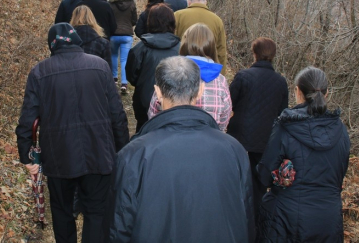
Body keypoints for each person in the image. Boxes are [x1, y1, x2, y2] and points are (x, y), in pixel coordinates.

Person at [106, 56, 255, 243]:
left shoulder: (133, 155)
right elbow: (247, 219)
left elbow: (119, 228)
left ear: (158, 93)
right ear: (200, 90)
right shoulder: (234, 150)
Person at [16, 23, 129, 243]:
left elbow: (27, 120)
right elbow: (117, 114)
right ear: (77, 40)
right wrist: (122, 149)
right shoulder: (100, 67)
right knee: (96, 213)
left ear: (52, 46)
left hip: (59, 157)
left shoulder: (39, 72)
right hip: (99, 153)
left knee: (61, 212)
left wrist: (27, 156)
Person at [256, 66, 350, 242]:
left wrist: (281, 176)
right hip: (328, 220)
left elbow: (264, 175)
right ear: (327, 93)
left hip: (285, 221)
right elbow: (340, 173)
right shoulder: (341, 130)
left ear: (297, 92)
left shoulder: (285, 126)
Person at [227, 37, 288, 217]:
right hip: (265, 138)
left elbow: (229, 103)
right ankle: (254, 219)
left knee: (236, 174)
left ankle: (233, 212)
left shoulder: (243, 76)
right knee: (258, 181)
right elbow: (282, 112)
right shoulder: (280, 82)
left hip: (238, 136)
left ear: (254, 54)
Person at [148, 23, 232, 132]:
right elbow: (225, 116)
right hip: (208, 142)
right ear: (212, 47)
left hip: (170, 140)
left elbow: (153, 113)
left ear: (185, 44)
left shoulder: (171, 73)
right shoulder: (220, 81)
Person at [126, 4, 180, 131]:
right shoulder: (181, 48)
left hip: (144, 102)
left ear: (150, 22)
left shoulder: (140, 48)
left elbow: (131, 76)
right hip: (175, 102)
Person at [174, 0, 227, 74]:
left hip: (183, 69)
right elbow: (221, 51)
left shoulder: (177, 16)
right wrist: (220, 74)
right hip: (209, 71)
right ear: (205, 2)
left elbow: (173, 43)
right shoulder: (217, 20)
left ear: (188, 2)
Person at [107, 0, 137, 94]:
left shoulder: (110, 3)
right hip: (127, 35)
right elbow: (134, 20)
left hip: (113, 35)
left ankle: (114, 79)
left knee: (114, 55)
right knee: (124, 59)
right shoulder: (132, 3)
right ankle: (124, 83)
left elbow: (108, 19)